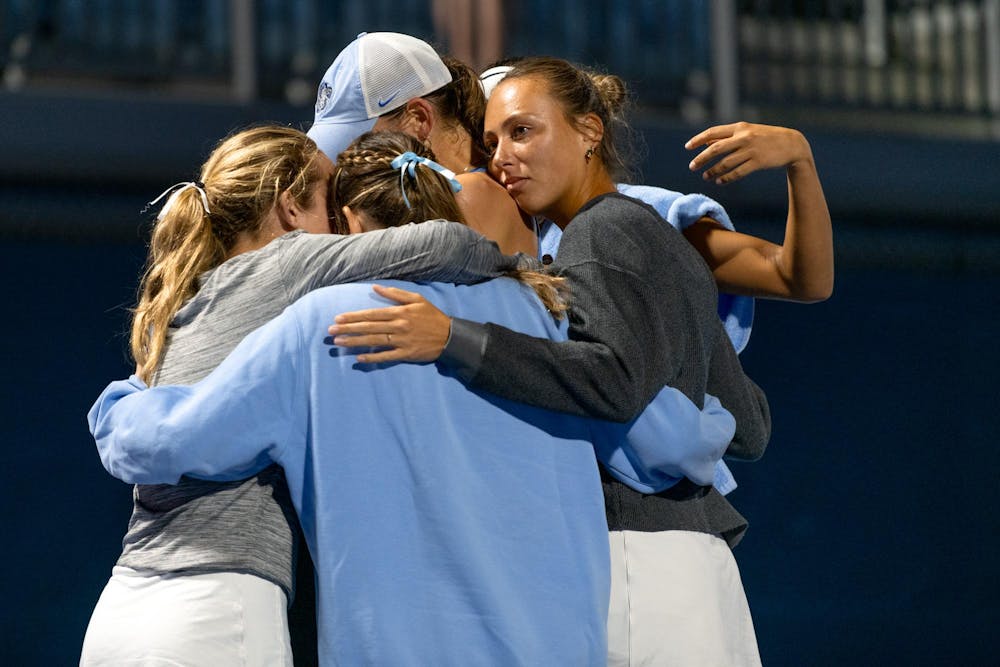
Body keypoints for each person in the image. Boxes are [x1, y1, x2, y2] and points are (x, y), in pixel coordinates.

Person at [86, 129, 738, 665]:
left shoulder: (322, 327)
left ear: (352, 228)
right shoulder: (548, 314)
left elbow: (179, 441)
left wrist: (123, 405)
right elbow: (660, 440)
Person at [329, 56, 789, 666]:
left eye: (523, 132)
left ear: (589, 132)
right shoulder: (665, 244)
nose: (501, 158)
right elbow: (750, 425)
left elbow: (614, 380)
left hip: (635, 568)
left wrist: (452, 338)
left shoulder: (596, 235)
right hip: (704, 575)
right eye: (491, 141)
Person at [78, 125, 527, 666]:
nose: (339, 226)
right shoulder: (292, 261)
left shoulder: (189, 297)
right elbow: (446, 244)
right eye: (330, 207)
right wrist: (525, 271)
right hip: (218, 610)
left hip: (122, 608)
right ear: (291, 208)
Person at [307, 31, 537, 256]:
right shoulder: (473, 190)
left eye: (364, 142)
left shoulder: (465, 196)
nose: (353, 161)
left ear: (419, 119)